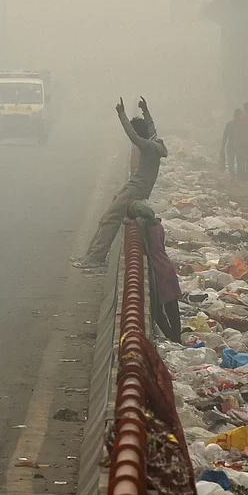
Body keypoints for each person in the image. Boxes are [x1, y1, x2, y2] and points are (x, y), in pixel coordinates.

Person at [72, 97, 166, 269]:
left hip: (135, 189)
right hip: (134, 186)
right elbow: (152, 128)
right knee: (107, 217)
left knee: (110, 219)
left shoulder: (146, 146)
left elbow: (132, 135)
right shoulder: (155, 143)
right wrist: (145, 110)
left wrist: (121, 115)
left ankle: (95, 258)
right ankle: (91, 254)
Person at [129, 200, 182, 341]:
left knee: (157, 309)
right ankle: (177, 337)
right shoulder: (157, 225)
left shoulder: (145, 229)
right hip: (167, 267)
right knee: (172, 307)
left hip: (158, 270)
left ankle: (172, 338)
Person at [219, 108, 243, 178]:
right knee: (237, 162)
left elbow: (225, 136)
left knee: (232, 163)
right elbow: (225, 135)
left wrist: (223, 146)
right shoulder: (241, 124)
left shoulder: (231, 124)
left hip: (234, 146)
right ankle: (236, 177)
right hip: (235, 146)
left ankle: (234, 177)